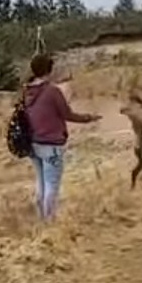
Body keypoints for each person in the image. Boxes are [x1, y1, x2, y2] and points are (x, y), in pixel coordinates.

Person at [23, 53, 101, 221]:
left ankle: (42, 220)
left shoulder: (27, 91)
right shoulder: (52, 91)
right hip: (51, 144)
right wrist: (89, 118)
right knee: (52, 185)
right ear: (49, 70)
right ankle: (50, 223)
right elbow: (68, 114)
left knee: (41, 183)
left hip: (33, 143)